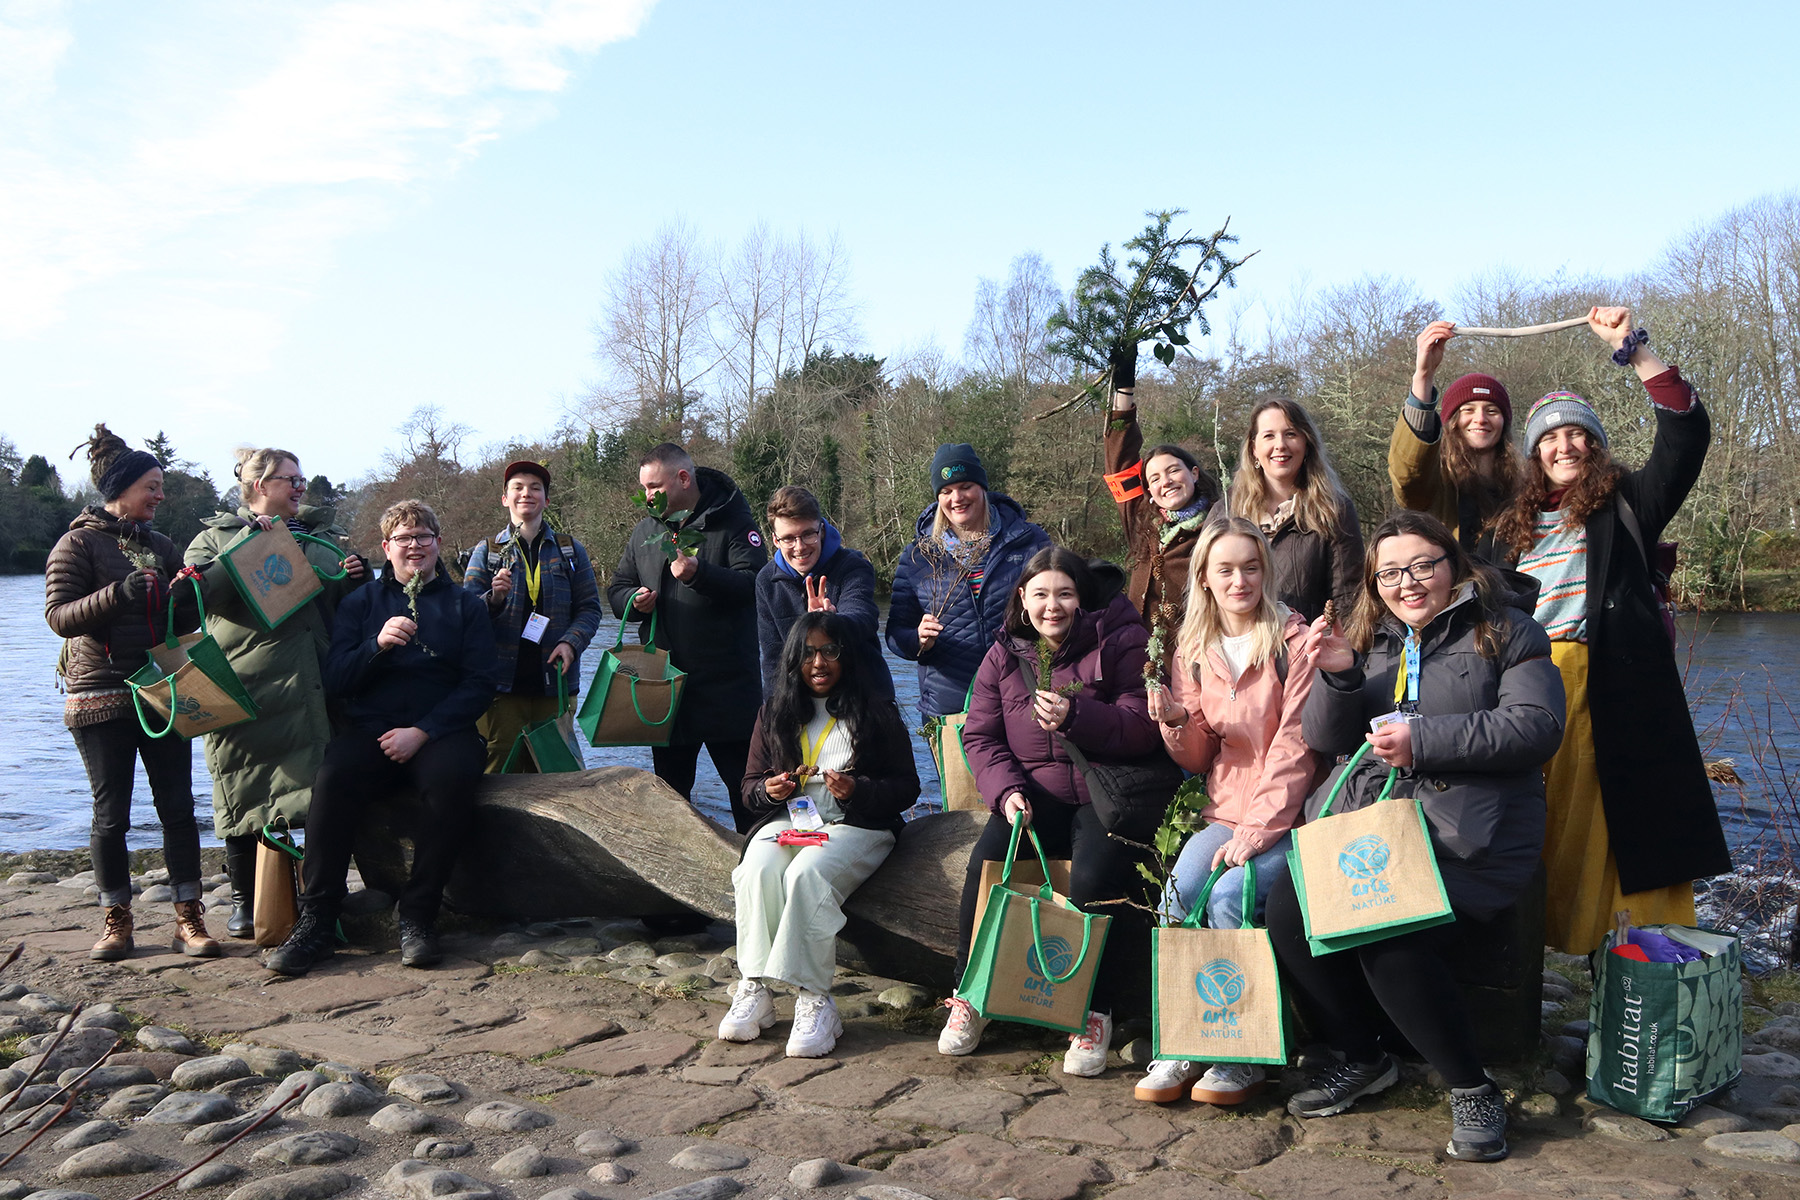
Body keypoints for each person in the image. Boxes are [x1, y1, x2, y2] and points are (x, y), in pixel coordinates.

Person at [1266, 510, 1564, 1162]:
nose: (1409, 581)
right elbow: (1324, 738)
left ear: (1453, 565)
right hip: (1378, 825)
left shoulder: (1508, 631)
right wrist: (1341, 676)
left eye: (1423, 565)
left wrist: (1423, 741)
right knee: (1288, 908)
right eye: (1391, 572)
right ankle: (1362, 1055)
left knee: (1384, 928)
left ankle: (1471, 1086)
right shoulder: (1372, 636)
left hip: (1473, 835)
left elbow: (1537, 726)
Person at [1489, 306, 1731, 955]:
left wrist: (1633, 349)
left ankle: (1637, 956)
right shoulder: (1506, 531)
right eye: (1550, 438)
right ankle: (1548, 953)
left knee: (1618, 828)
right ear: (1535, 453)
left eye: (1577, 436)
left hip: (1612, 687)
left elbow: (1686, 436)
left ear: (1594, 445)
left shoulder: (1628, 503)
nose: (1564, 446)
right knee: (1543, 826)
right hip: (1528, 690)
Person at [938, 548, 1159, 1074]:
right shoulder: (1004, 654)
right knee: (988, 866)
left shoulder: (1119, 642)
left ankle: (1094, 1011)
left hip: (1101, 791)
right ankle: (970, 993)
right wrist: (1006, 792)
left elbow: (1142, 725)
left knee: (1092, 880)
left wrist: (1078, 716)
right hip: (1031, 792)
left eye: (1063, 594)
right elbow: (981, 736)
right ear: (1022, 599)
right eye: (1040, 595)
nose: (1052, 606)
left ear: (1081, 599)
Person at [266, 500, 498, 976]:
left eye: (424, 537)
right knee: (331, 779)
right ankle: (318, 920)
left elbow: (480, 685)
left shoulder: (465, 606)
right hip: (372, 728)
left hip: (442, 730)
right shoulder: (360, 604)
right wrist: (375, 646)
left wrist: (424, 731)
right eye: (404, 538)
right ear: (386, 548)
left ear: (437, 544)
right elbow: (336, 680)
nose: (415, 546)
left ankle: (418, 915)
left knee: (451, 781)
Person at [1135, 517, 1320, 1106]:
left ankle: (1243, 1051)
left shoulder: (1295, 642)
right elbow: (1200, 754)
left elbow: (1296, 748)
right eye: (1225, 570)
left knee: (1227, 896)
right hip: (1223, 808)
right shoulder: (1192, 647)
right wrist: (1173, 724)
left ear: (1266, 569)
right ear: (1205, 579)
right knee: (1175, 898)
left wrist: (1259, 831)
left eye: (1251, 566)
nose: (1240, 580)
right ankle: (1186, 1035)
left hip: (1290, 815)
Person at [45, 425, 218, 962]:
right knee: (110, 816)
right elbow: (58, 617)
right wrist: (115, 594)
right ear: (119, 490)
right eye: (152, 486)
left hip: (163, 687)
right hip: (98, 694)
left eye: (161, 486)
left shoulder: (163, 547)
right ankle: (116, 922)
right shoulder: (76, 543)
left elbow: (181, 620)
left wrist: (190, 592)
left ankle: (188, 919)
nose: (160, 495)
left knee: (179, 809)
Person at [183, 447, 368, 938]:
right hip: (249, 684)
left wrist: (356, 577)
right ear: (261, 485)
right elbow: (196, 599)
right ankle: (247, 904)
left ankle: (323, 896)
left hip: (313, 682)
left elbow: (344, 611)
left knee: (322, 793)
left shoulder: (321, 538)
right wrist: (247, 543)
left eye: (302, 479)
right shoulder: (211, 538)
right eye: (291, 480)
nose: (301, 487)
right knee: (245, 790)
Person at [724, 613, 919, 1057]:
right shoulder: (773, 712)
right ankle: (754, 986)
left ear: (846, 657)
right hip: (791, 820)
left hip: (857, 824)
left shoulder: (876, 711)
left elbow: (907, 787)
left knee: (806, 875)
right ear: (793, 660)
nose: (819, 662)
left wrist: (859, 789)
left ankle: (815, 998)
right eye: (808, 652)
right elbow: (749, 786)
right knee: (755, 868)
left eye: (829, 651)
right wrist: (767, 789)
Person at [608, 443, 768, 831]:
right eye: (644, 488)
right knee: (672, 798)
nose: (646, 496)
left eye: (654, 486)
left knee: (747, 795)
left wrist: (700, 574)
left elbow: (756, 587)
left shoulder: (734, 523)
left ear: (683, 479)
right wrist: (633, 599)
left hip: (727, 691)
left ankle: (760, 872)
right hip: (664, 691)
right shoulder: (645, 530)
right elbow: (616, 589)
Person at [886, 443, 1051, 726]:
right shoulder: (918, 556)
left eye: (965, 486)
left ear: (983, 488)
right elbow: (895, 633)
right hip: (949, 707)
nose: (957, 498)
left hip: (1022, 698)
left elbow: (1064, 607)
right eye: (946, 491)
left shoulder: (1030, 542)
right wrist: (918, 639)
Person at [464, 460, 603, 772]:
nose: (526, 493)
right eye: (518, 487)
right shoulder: (486, 551)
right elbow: (466, 615)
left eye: (535, 488)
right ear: (505, 498)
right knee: (497, 773)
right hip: (500, 688)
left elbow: (590, 608)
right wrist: (494, 599)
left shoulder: (571, 550)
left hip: (555, 683)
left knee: (558, 774)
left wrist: (571, 643)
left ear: (546, 500)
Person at [1103, 349, 1223, 672]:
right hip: (1134, 667)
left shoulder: (1218, 527)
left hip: (1194, 670)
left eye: (1173, 471)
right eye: (1154, 478)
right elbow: (1120, 462)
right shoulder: (1142, 523)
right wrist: (1123, 391)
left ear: (1194, 474)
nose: (1165, 482)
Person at [1390, 321, 1524, 552]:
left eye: (1492, 410)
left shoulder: (1524, 486)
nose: (1480, 419)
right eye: (1468, 410)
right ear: (1451, 423)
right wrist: (1423, 375)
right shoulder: (1435, 485)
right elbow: (1408, 476)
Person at [1226, 398, 1363, 622]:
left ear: (1306, 443)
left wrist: (1324, 650)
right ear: (1254, 448)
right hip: (1232, 652)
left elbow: (1347, 601)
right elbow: (1199, 587)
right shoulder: (1228, 508)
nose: (1280, 444)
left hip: (1307, 651)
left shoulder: (1334, 510)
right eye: (1269, 435)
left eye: (1290, 434)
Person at [754, 485, 893, 700]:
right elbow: (773, 662)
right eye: (789, 538)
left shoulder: (853, 566)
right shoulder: (766, 581)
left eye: (808, 534)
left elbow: (863, 618)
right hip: (802, 704)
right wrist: (775, 716)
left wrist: (830, 622)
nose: (799, 547)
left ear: (822, 530)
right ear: (775, 540)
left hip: (863, 699)